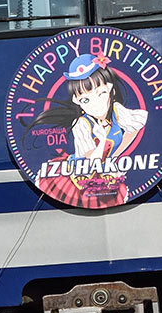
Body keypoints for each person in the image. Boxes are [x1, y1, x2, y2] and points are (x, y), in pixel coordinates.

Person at [25, 53, 148, 208]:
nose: (96, 104)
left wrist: (115, 156)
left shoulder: (117, 112)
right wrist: (102, 141)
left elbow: (136, 128)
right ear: (77, 102)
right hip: (79, 178)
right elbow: (92, 160)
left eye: (101, 93)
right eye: (86, 100)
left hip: (104, 174)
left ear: (110, 90)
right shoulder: (82, 125)